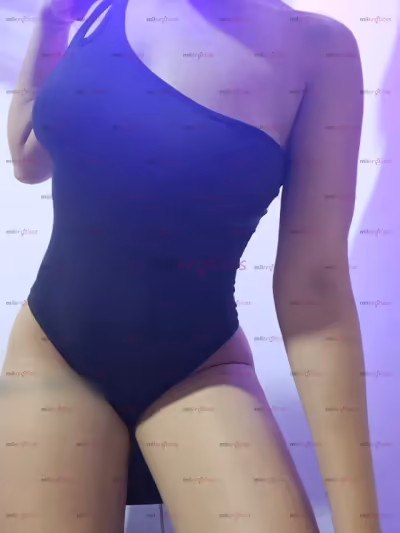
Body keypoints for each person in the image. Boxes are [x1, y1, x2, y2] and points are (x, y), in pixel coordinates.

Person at [2, 0, 381, 532]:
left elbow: (314, 286)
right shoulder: (109, 8)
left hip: (198, 369)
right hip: (55, 354)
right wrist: (51, 22)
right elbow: (27, 158)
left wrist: (360, 522)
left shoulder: (318, 48)